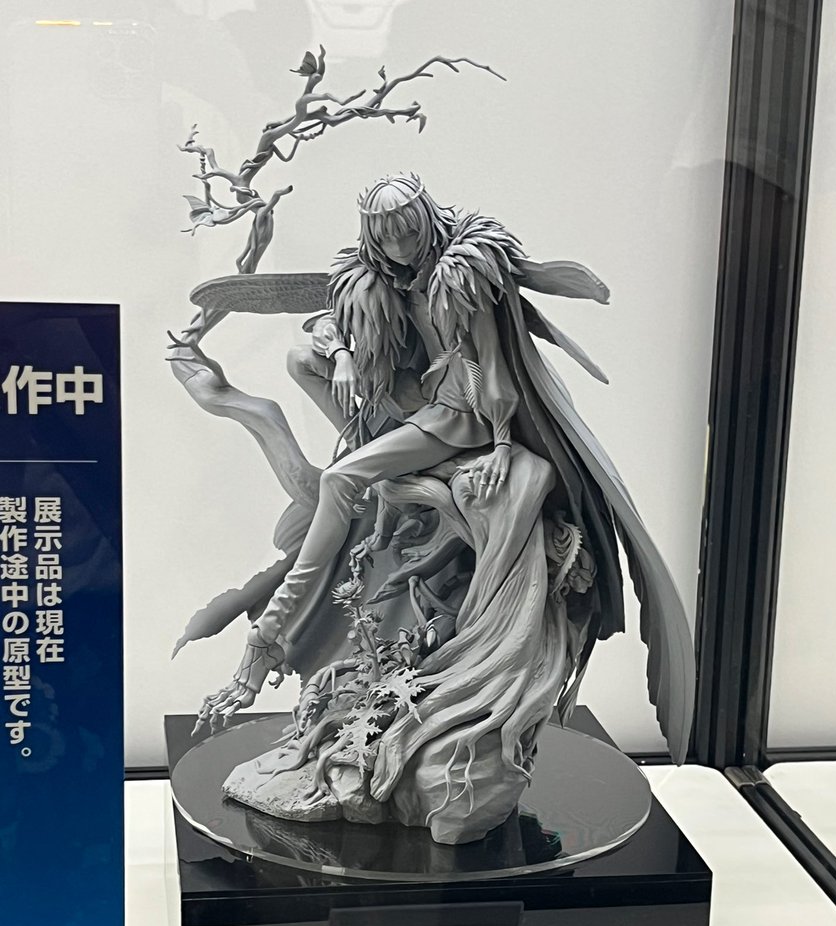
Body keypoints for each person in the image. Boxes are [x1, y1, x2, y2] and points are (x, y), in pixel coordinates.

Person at [192, 172, 694, 768]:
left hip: (458, 415)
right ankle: (367, 458)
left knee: (338, 480)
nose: (400, 245)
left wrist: (501, 444)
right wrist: (345, 353)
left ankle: (267, 637)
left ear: (425, 220)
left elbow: (492, 365)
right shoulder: (378, 276)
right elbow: (324, 323)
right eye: (386, 235)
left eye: (407, 231)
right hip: (413, 401)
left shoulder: (462, 273)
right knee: (302, 359)